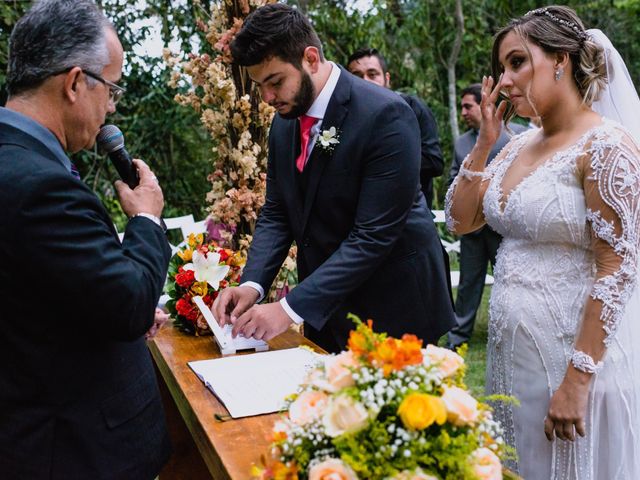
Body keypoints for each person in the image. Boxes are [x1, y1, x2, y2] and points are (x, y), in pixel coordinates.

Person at [446, 6, 640, 479]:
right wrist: (483, 141)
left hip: (574, 360)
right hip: (512, 360)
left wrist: (577, 378)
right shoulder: (514, 146)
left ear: (561, 59)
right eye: (501, 69)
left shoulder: (606, 146)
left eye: (517, 62)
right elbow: (460, 221)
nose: (504, 81)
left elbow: (617, 264)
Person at [214, 3, 456, 353]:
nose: (267, 98)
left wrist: (287, 308)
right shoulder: (284, 124)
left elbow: (373, 236)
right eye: (259, 86)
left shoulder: (387, 115)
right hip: (327, 309)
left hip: (394, 307)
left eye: (275, 82)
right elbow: (278, 210)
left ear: (310, 58)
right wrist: (253, 284)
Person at [0, 1, 172, 478]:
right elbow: (130, 304)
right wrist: (147, 221)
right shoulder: (39, 184)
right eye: (111, 89)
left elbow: (35, 295)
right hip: (73, 452)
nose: (112, 107)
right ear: (75, 83)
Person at [446, 84, 526, 349]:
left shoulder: (518, 137)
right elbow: (454, 179)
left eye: (468, 106)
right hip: (472, 233)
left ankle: (511, 333)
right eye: (462, 107)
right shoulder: (461, 144)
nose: (464, 112)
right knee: (468, 284)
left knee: (508, 281)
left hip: (503, 229)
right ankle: (457, 337)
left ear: (484, 106)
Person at [347, 48, 444, 209]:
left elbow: (434, 162)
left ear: (387, 79)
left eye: (372, 74)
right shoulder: (344, 116)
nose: (364, 81)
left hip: (409, 215)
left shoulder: (412, 107)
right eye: (356, 76)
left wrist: (381, 158)